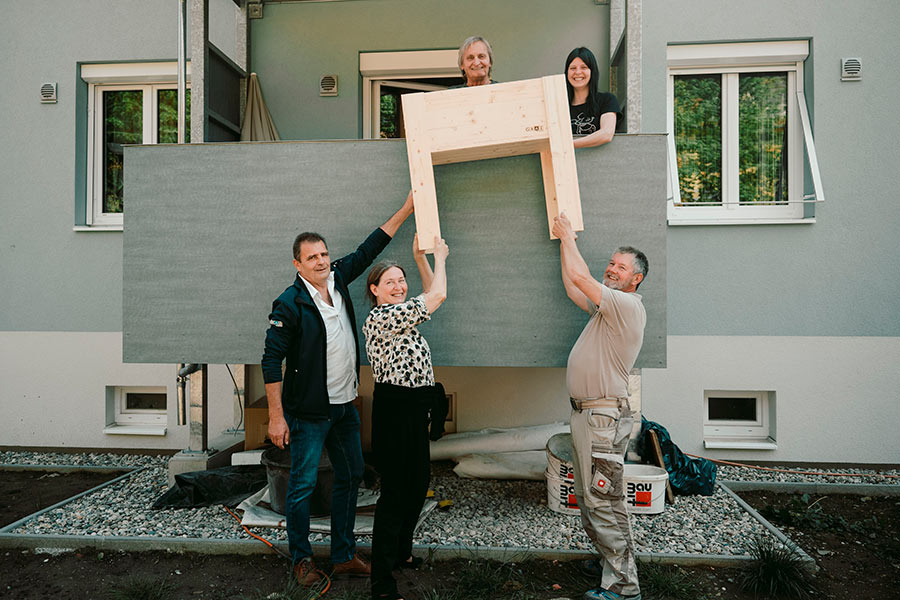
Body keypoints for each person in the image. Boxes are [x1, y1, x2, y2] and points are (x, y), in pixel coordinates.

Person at [261, 192, 415, 589]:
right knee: (302, 486)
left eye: (325, 254)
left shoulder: (338, 278)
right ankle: (302, 559)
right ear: (298, 264)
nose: (322, 262)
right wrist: (276, 417)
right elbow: (269, 362)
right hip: (309, 412)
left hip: (345, 405)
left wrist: (407, 209)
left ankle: (344, 555)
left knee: (351, 477)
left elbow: (370, 247)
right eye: (313, 257)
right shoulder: (289, 304)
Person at [551, 213, 648, 600]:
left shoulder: (626, 306)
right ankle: (610, 562)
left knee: (604, 498)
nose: (611, 269)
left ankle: (625, 587)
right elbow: (572, 284)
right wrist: (563, 243)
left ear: (635, 278)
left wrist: (568, 236)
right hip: (587, 415)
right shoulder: (605, 311)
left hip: (602, 417)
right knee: (590, 495)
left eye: (620, 267)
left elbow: (580, 279)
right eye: (610, 263)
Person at [363, 234, 450, 600]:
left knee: (416, 489)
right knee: (396, 496)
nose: (398, 286)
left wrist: (419, 259)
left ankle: (401, 552)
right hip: (396, 413)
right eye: (390, 282)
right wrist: (441, 257)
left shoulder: (404, 320)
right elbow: (438, 295)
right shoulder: (382, 319)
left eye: (402, 281)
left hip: (414, 411)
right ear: (375, 290)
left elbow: (430, 298)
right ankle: (381, 580)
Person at [565, 47, 623, 149]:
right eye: (573, 68)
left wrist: (568, 145)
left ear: (592, 71)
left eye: (584, 67)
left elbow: (607, 134)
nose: (578, 72)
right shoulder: (560, 106)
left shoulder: (607, 100)